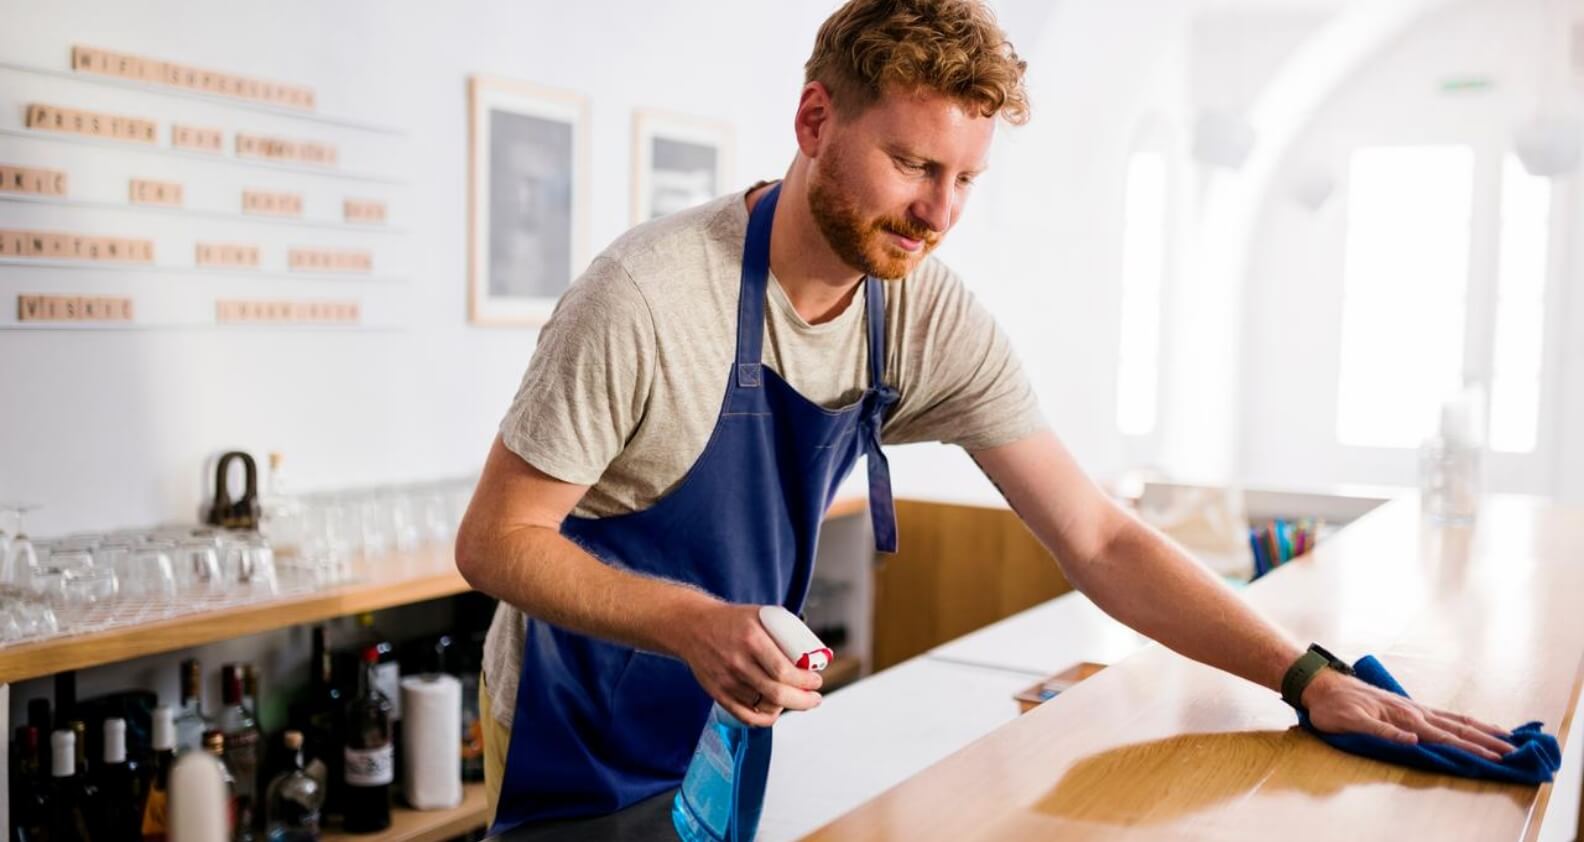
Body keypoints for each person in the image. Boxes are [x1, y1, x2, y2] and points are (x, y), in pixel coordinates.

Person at [455, 0, 1516, 832]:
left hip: (729, 720)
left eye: (965, 177)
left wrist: (1306, 675)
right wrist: (691, 621)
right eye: (914, 164)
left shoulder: (918, 311)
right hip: (577, 724)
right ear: (815, 120)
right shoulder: (648, 295)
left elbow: (1097, 533)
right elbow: (496, 541)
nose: (939, 213)